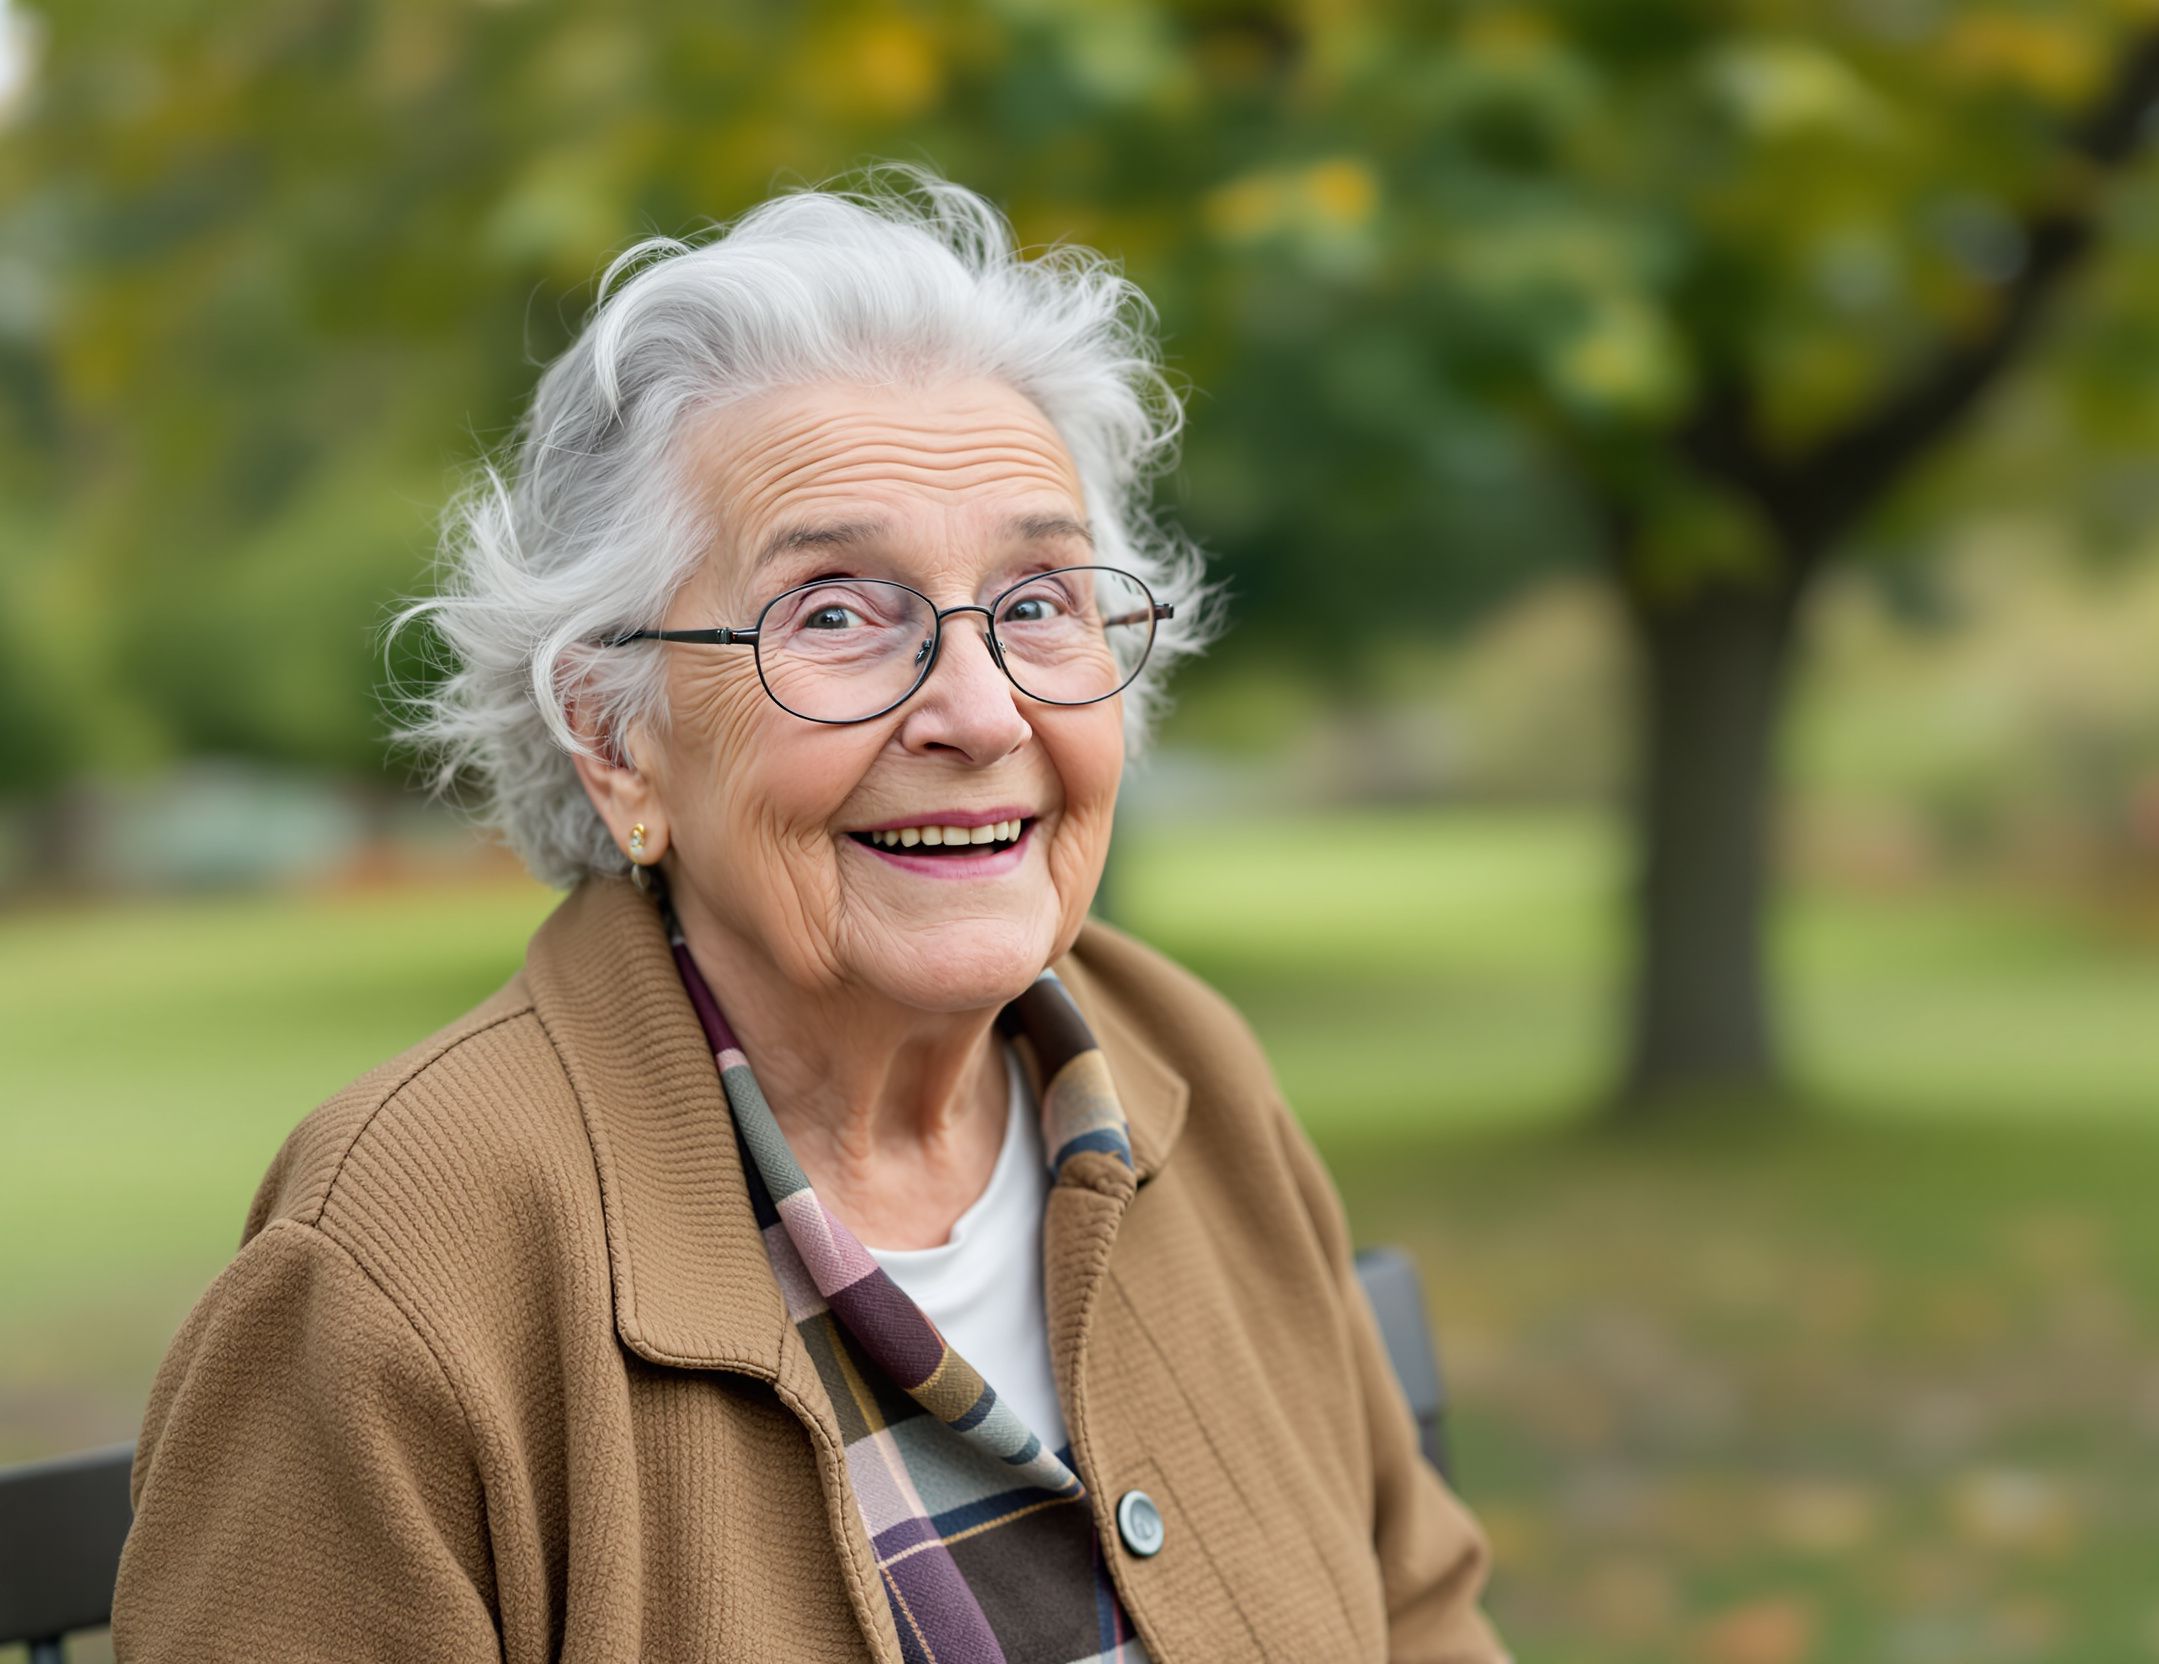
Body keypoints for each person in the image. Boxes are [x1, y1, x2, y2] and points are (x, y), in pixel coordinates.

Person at [111, 164, 1507, 1663]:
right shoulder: (406, 1252)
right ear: (614, 737)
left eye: (1038, 602)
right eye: (834, 612)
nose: (982, 712)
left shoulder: (1185, 1064)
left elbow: (1419, 1619)